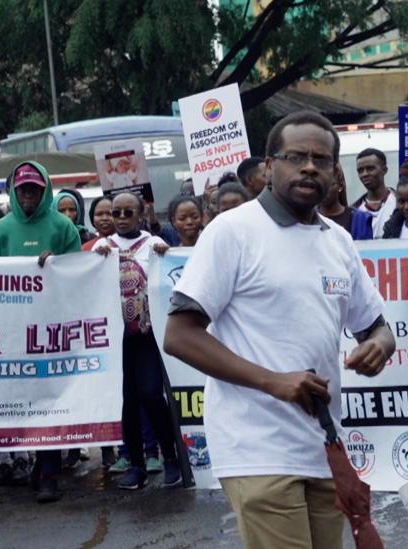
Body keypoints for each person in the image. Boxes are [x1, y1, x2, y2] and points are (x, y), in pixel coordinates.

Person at [164, 111, 394, 549]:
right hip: (258, 448)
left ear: (334, 173)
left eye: (322, 160)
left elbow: (377, 328)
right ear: (269, 167)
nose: (310, 167)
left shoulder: (337, 241)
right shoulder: (233, 231)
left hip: (323, 447)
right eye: (296, 156)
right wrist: (274, 382)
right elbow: (180, 335)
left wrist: (378, 347)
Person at [0, 161, 82, 502]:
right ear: (14, 190)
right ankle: (25, 466)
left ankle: (49, 475)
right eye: (23, 189)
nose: (28, 195)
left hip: (51, 331)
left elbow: (80, 273)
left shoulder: (62, 226)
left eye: (35, 189)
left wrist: (57, 262)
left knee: (49, 403)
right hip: (13, 332)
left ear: (45, 190)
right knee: (23, 402)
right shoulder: (1, 231)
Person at [92, 192, 182, 491]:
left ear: (141, 213)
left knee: (152, 395)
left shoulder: (154, 246)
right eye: (115, 213)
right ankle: (136, 465)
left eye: (126, 213)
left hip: (146, 337)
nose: (119, 219)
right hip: (115, 341)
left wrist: (166, 254)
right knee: (125, 402)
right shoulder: (101, 247)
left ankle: (170, 457)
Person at [351, 148, 397, 238]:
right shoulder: (354, 211)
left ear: (384, 170)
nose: (364, 174)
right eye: (360, 170)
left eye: (370, 168)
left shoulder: (399, 203)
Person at [318, 166, 373, 240]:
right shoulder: (307, 219)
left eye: (329, 184)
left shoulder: (360, 219)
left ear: (340, 186)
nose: (323, 190)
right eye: (319, 185)